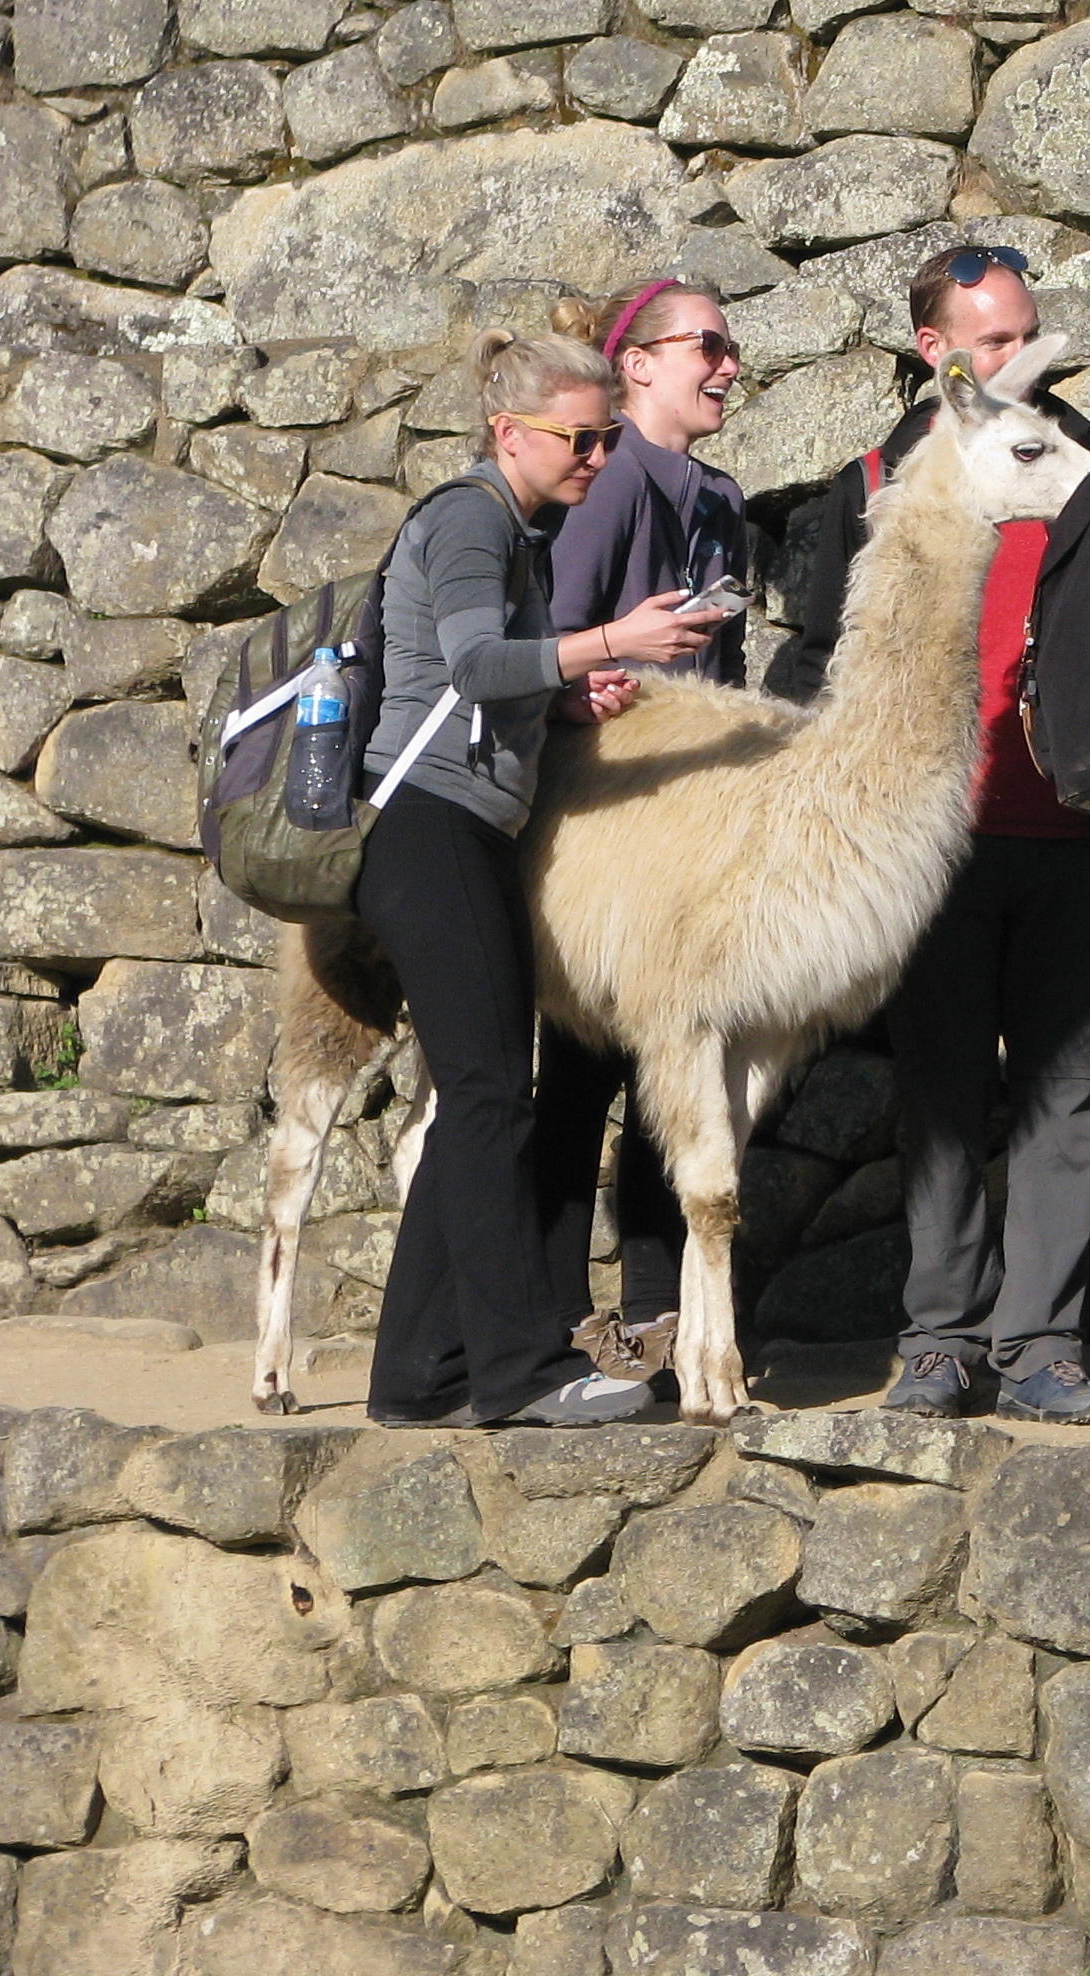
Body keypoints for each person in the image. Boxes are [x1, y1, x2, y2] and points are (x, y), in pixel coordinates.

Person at [782, 245, 1090, 1426]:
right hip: (926, 845)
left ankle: (1042, 1346)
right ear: (936, 356)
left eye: (1027, 331)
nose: (1018, 355)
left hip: (1075, 832)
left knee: (1064, 1097)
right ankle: (939, 1340)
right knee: (937, 1094)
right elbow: (810, 658)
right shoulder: (872, 480)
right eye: (990, 341)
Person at [361, 328, 721, 1429]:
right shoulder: (473, 516)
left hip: (460, 833)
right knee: (487, 1101)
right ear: (507, 432)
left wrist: (560, 699)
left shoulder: (516, 524)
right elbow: (470, 662)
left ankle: (420, 1375)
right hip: (429, 833)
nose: (599, 457)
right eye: (579, 437)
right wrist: (611, 639)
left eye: (607, 436)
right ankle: (520, 1368)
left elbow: (469, 679)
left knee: (481, 1096)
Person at [527, 280, 750, 1396]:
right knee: (574, 1083)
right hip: (604, 841)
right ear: (639, 364)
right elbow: (548, 646)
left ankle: (661, 1325)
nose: (726, 364)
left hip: (693, 847)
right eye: (706, 344)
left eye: (730, 346)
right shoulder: (610, 485)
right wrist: (587, 691)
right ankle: (558, 1318)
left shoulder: (716, 497)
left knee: (684, 1074)